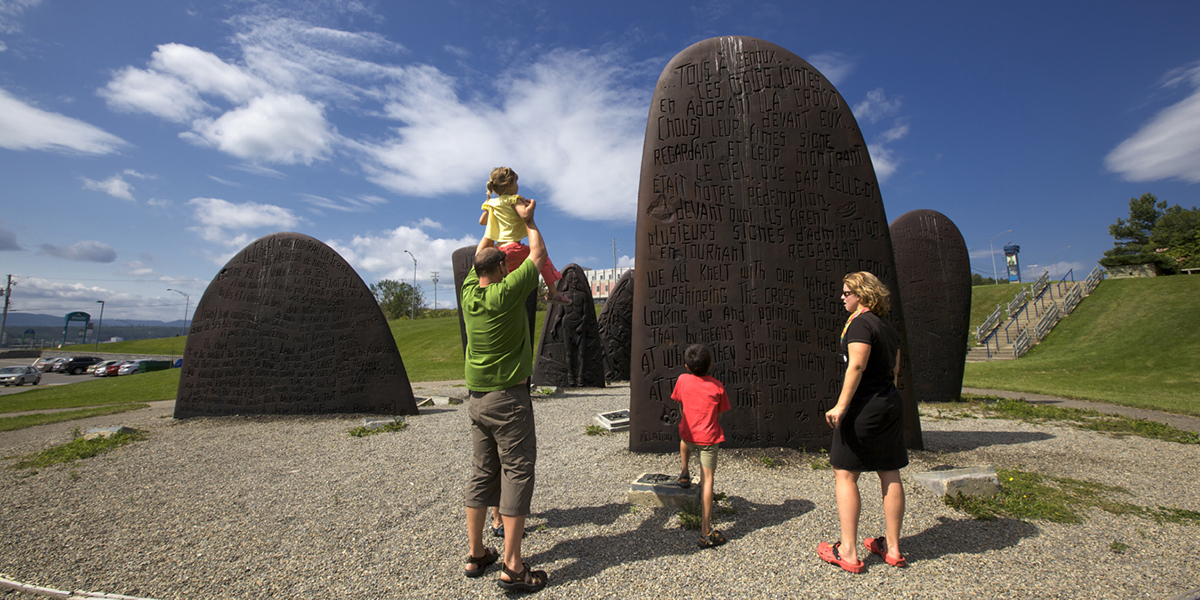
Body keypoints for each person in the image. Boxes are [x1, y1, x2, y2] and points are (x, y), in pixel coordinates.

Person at [461, 196, 550, 593]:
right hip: (508, 400)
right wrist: (528, 221)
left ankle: (477, 553)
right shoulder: (507, 291)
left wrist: (493, 225)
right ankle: (513, 565)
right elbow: (538, 253)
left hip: (476, 399)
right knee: (517, 472)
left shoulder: (468, 293)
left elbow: (481, 252)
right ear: (500, 268)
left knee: (483, 472)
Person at [817, 271, 908, 573]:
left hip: (863, 407)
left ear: (862, 295)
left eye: (846, 293)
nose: (842, 297)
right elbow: (894, 370)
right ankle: (893, 549)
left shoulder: (859, 324)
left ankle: (848, 551)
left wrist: (842, 405)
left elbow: (856, 363)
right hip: (889, 404)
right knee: (889, 471)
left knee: (845, 473)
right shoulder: (887, 326)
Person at [478, 166, 569, 304]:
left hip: (499, 251)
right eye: (515, 182)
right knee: (543, 258)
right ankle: (553, 292)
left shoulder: (491, 203)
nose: (517, 186)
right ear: (509, 185)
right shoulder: (514, 199)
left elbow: (482, 221)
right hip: (514, 248)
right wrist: (532, 205)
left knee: (511, 274)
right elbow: (525, 215)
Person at [672, 343, 731, 548]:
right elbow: (720, 414)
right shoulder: (717, 387)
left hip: (689, 432)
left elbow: (679, 402)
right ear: (711, 365)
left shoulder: (682, 380)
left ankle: (684, 471)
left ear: (687, 367)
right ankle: (705, 530)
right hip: (709, 438)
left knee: (684, 442)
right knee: (707, 482)